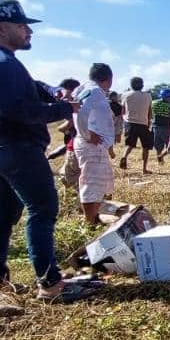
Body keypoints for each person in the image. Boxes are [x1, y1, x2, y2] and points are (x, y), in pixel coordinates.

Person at [0, 0, 92, 300]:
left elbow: (30, 85)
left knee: (5, 211)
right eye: (21, 25)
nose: (28, 31)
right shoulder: (1, 64)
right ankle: (51, 285)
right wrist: (63, 108)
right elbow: (19, 110)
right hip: (17, 147)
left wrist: (52, 91)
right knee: (43, 210)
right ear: (2, 28)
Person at [73, 64, 116, 226]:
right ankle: (90, 222)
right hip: (91, 145)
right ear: (109, 79)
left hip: (92, 144)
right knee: (92, 184)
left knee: (97, 182)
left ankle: (93, 217)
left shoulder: (83, 88)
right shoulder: (95, 91)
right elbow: (81, 113)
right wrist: (87, 134)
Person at [119, 76, 154, 171]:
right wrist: (149, 123)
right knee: (146, 147)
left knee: (130, 145)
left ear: (131, 85)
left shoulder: (125, 95)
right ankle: (144, 169)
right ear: (142, 85)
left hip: (130, 122)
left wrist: (125, 120)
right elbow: (150, 112)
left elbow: (122, 111)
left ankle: (124, 156)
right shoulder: (148, 96)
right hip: (143, 123)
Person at [151, 88, 170, 165]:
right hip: (166, 128)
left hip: (155, 127)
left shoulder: (154, 103)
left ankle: (160, 160)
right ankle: (161, 156)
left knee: (158, 145)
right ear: (166, 97)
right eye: (169, 97)